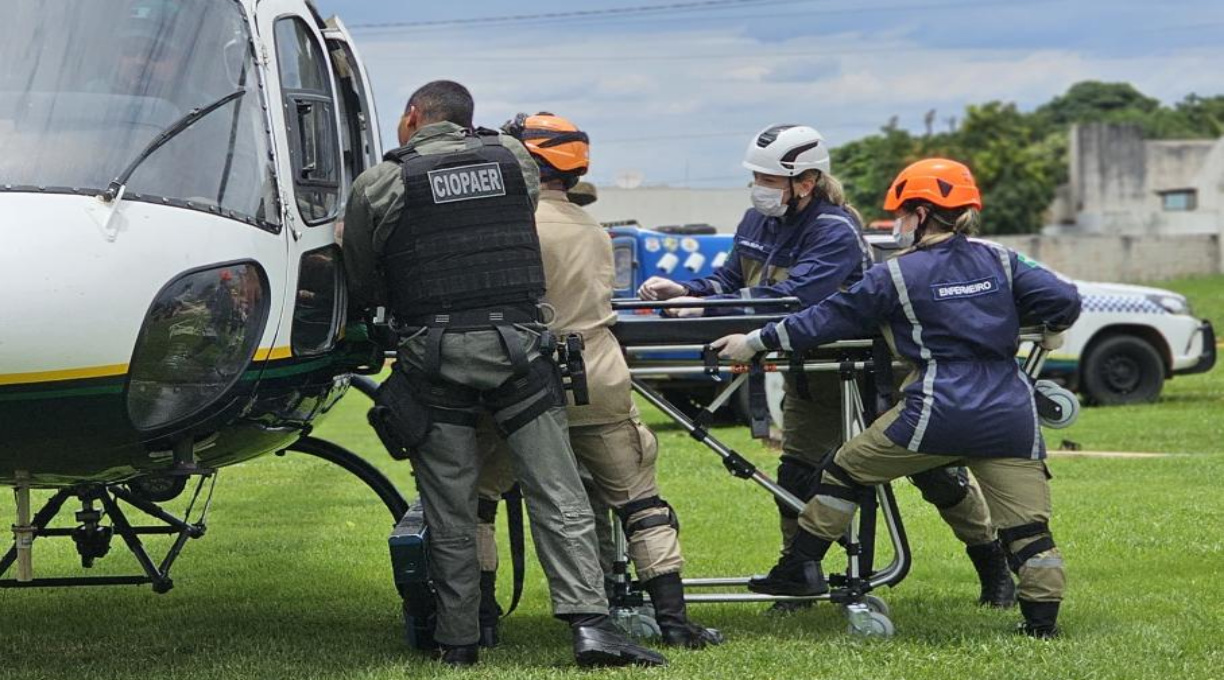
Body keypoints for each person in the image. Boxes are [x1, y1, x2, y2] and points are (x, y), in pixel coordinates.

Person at [342, 81, 666, 668]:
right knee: (557, 490)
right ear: (468, 120)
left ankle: (460, 641)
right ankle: (590, 627)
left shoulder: (381, 182)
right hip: (519, 351)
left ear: (413, 117)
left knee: (451, 504)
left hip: (434, 354)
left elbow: (363, 279)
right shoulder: (512, 159)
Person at [638, 125, 1014, 610]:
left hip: (866, 370)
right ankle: (801, 572)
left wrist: (707, 306)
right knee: (796, 473)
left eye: (768, 178)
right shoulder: (757, 221)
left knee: (934, 471)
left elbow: (794, 299)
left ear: (806, 181)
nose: (759, 186)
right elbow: (731, 277)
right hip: (805, 370)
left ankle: (992, 566)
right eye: (757, 176)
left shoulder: (833, 230)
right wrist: (691, 291)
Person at [711, 158, 1079, 637]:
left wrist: (755, 341)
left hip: (936, 409)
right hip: (1011, 413)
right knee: (1029, 530)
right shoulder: (1002, 260)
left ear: (922, 213)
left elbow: (823, 319)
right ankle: (1041, 624)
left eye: (903, 213)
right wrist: (1035, 323)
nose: (897, 223)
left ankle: (800, 566)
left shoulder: (896, 275)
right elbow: (1064, 301)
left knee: (844, 469)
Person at [473, 112, 724, 650]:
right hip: (598, 378)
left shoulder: (508, 225)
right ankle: (675, 623)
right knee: (640, 501)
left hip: (520, 382)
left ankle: (481, 618)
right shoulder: (595, 230)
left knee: (478, 498)